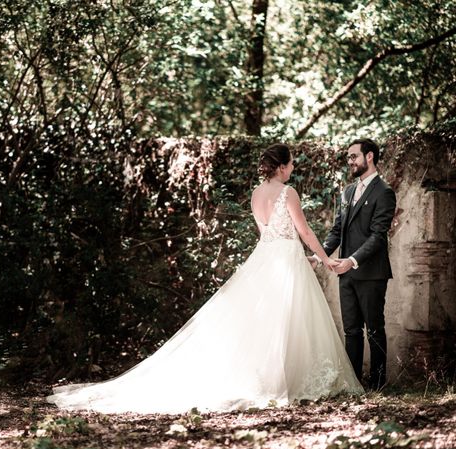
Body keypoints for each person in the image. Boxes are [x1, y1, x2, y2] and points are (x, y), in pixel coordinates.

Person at [47, 144, 363, 414]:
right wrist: (325, 259)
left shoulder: (256, 194)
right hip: (284, 259)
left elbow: (265, 234)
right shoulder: (288, 192)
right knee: (286, 319)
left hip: (265, 257)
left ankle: (271, 377)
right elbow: (304, 231)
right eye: (291, 163)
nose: (293, 167)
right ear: (281, 167)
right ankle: (281, 381)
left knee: (262, 321)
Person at [313, 139, 396, 391]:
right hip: (344, 273)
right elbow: (337, 230)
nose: (350, 161)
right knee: (351, 331)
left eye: (354, 156)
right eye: (348, 157)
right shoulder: (348, 192)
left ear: (369, 156)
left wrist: (352, 260)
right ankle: (353, 385)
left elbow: (378, 236)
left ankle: (379, 384)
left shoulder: (384, 192)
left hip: (370, 273)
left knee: (374, 330)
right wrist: (319, 256)